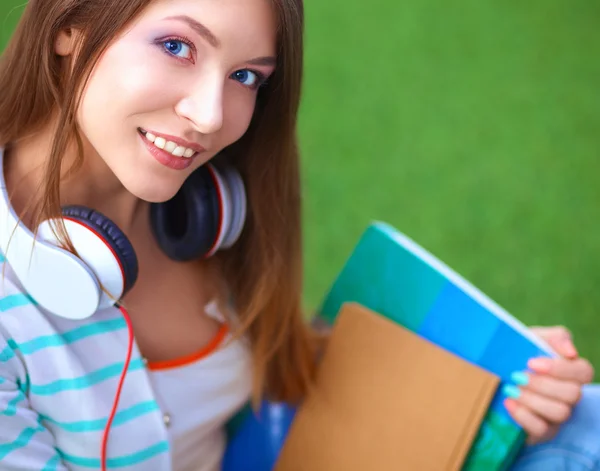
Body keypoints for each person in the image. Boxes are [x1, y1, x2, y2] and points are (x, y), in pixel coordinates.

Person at [0, 0, 597, 470]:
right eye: (177, 46)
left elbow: (288, 376)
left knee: (582, 422)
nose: (211, 115)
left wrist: (496, 382)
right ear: (71, 26)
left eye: (246, 76)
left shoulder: (205, 214)